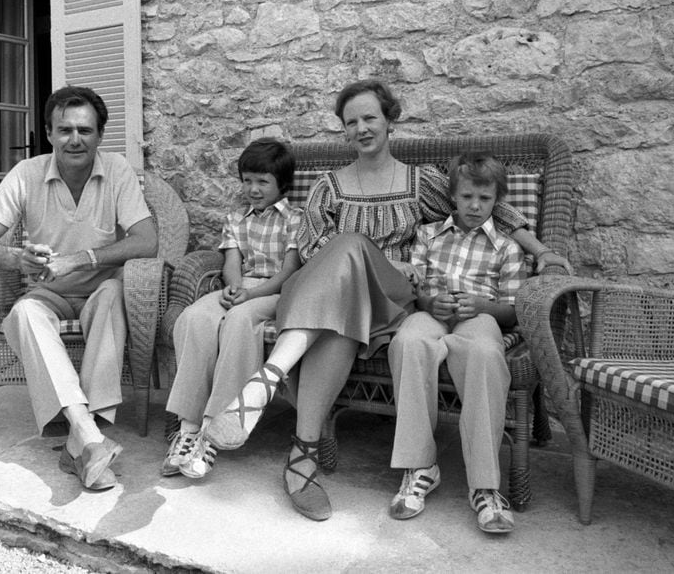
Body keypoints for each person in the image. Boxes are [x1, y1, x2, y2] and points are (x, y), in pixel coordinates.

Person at [206, 79, 569, 521]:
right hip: (329, 297)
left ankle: (270, 375)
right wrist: (359, 260)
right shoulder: (329, 187)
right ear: (343, 130)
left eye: (369, 117)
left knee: (353, 244)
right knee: (341, 306)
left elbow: (499, 214)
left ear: (390, 120)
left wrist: (540, 251)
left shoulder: (422, 183)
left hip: (393, 300)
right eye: (351, 121)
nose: (361, 128)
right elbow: (307, 252)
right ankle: (302, 458)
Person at [0, 86, 157, 492]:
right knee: (24, 314)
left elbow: (146, 239)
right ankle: (87, 434)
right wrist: (18, 259)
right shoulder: (27, 174)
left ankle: (80, 440)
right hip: (46, 294)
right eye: (64, 129)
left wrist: (82, 257)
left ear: (101, 135)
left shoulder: (117, 169)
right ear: (49, 133)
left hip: (100, 289)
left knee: (111, 298)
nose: (75, 139)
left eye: (85, 130)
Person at [388, 152, 524, 534]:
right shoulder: (429, 235)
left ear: (497, 199)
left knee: (484, 353)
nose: (475, 206)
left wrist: (481, 305)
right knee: (408, 342)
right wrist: (430, 302)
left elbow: (511, 311)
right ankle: (420, 467)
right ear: (453, 196)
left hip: (479, 317)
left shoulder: (507, 248)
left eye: (484, 198)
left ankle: (484, 485)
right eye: (467, 197)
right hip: (432, 312)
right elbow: (413, 292)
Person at [162, 138, 303, 480]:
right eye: (248, 180)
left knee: (239, 321)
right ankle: (189, 427)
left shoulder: (294, 220)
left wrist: (251, 297)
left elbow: (289, 272)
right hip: (241, 288)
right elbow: (231, 261)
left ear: (281, 185)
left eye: (263, 182)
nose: (253, 189)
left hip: (275, 292)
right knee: (194, 316)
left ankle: (215, 429)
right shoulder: (236, 218)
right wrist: (235, 287)